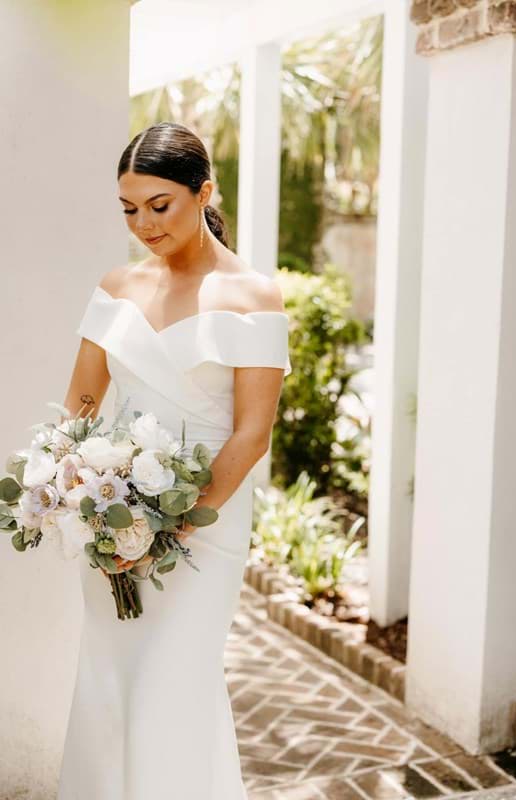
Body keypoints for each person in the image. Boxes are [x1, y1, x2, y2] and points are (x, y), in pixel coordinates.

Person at [57, 121, 292, 800]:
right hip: (111, 518)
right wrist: (80, 495)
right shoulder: (117, 285)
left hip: (206, 523)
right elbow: (80, 401)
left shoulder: (254, 295)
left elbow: (252, 435)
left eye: (160, 205)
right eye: (129, 209)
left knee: (173, 680)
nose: (144, 224)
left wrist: (169, 526)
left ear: (204, 191)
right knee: (111, 677)